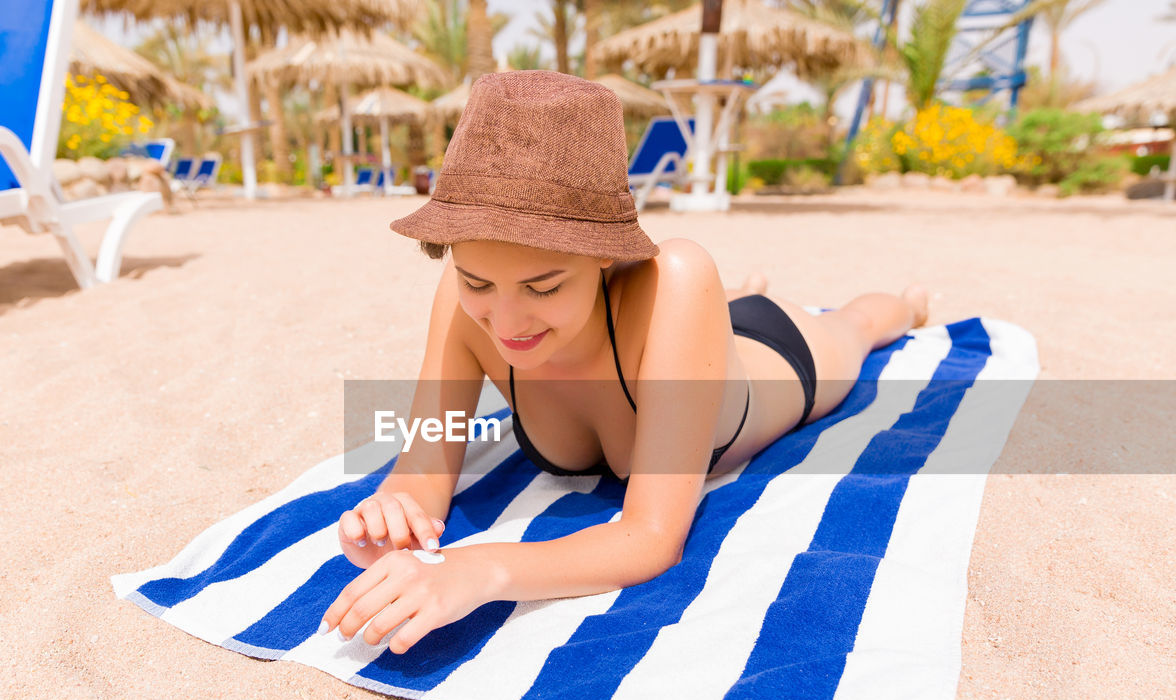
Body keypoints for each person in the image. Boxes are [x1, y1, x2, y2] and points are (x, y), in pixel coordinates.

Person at [321, 71, 927, 653]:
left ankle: (897, 303)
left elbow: (652, 536)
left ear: (604, 257)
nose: (505, 325)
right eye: (480, 283)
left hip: (773, 354)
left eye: (544, 287)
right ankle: (740, 291)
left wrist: (476, 572)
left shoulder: (677, 276)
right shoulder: (457, 299)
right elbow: (423, 465)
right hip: (679, 341)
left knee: (855, 326)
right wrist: (393, 511)